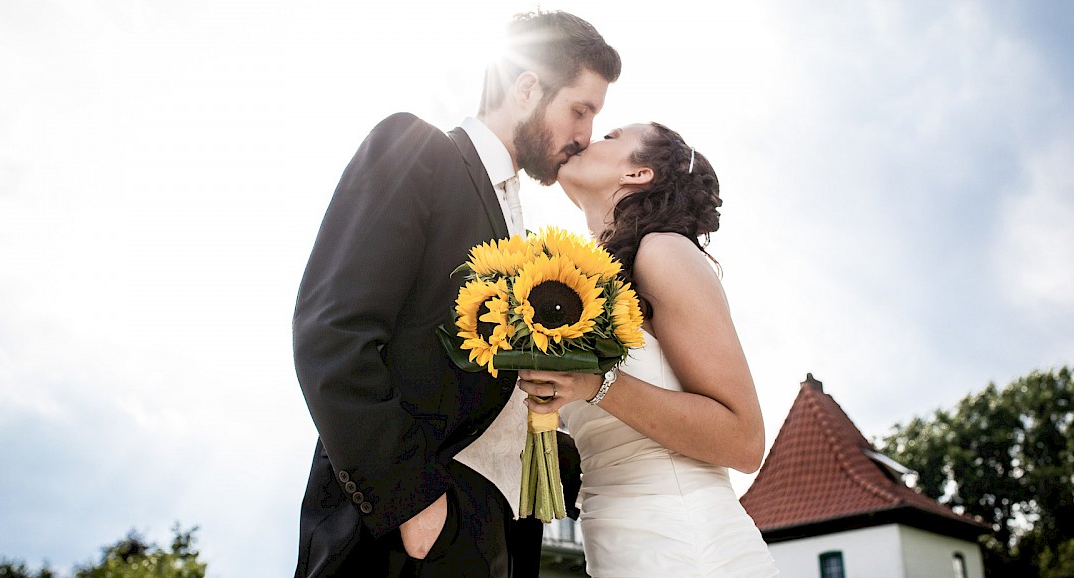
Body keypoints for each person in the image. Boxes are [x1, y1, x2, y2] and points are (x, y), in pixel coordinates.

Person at [292, 10, 620, 577]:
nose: (585, 136)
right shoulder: (417, 150)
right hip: (402, 536)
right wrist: (412, 505)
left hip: (497, 538)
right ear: (526, 89)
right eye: (580, 110)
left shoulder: (525, 231)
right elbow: (332, 332)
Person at [517, 123, 782, 577]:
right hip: (616, 545)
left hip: (687, 546)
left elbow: (744, 441)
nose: (587, 137)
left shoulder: (662, 252)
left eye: (610, 136)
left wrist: (598, 386)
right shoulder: (587, 287)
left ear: (639, 173)